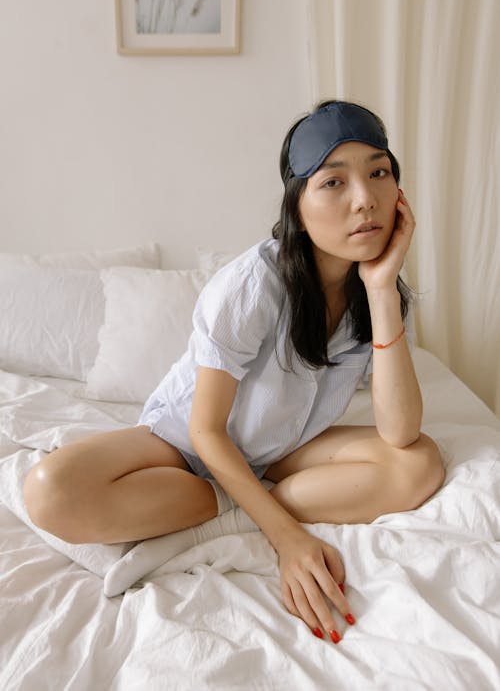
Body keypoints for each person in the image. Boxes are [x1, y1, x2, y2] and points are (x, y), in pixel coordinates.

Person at [24, 100, 445, 644]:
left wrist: (383, 287)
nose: (364, 200)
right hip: (187, 447)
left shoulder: (372, 293)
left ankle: (239, 510)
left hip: (280, 449)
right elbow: (205, 430)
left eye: (378, 173)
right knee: (48, 491)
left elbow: (400, 433)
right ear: (298, 205)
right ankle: (243, 508)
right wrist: (288, 539)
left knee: (420, 464)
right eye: (334, 182)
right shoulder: (252, 285)